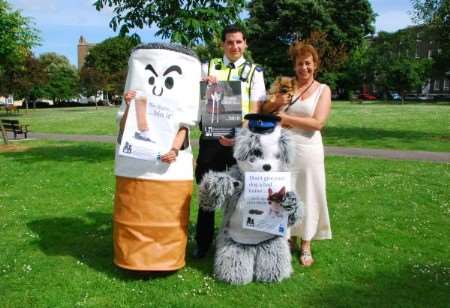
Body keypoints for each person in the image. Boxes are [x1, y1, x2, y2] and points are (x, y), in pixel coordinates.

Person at [114, 43, 201, 271]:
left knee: (168, 219)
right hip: (136, 166)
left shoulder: (181, 103)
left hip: (171, 166)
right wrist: (128, 105)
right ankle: (132, 257)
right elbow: (125, 132)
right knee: (135, 213)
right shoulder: (134, 100)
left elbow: (184, 126)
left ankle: (167, 257)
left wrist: (173, 149)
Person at [193, 24, 267, 258]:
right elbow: (192, 100)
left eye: (238, 42)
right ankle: (203, 243)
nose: (234, 46)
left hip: (241, 141)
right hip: (212, 140)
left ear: (245, 44)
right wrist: (201, 83)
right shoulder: (208, 66)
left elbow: (255, 110)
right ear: (222, 44)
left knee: (241, 193)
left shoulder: (255, 72)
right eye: (229, 42)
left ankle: (238, 242)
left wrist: (235, 136)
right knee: (209, 190)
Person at [261, 42, 332, 266]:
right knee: (284, 193)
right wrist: (276, 103)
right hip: (282, 150)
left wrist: (287, 119)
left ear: (315, 65)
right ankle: (287, 237)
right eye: (300, 63)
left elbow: (317, 123)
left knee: (308, 194)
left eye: (308, 63)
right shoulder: (284, 84)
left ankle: (306, 243)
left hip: (309, 151)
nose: (303, 68)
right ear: (294, 66)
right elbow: (264, 110)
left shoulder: (323, 89)